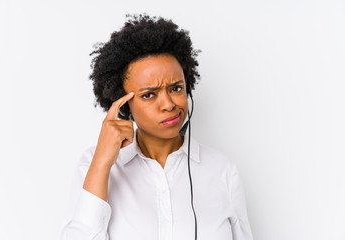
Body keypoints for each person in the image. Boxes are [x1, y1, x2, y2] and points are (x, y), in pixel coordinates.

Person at [60, 14, 253, 240]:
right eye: (149, 94)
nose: (169, 104)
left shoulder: (222, 170)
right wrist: (102, 162)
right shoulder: (95, 165)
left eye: (176, 88)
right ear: (124, 103)